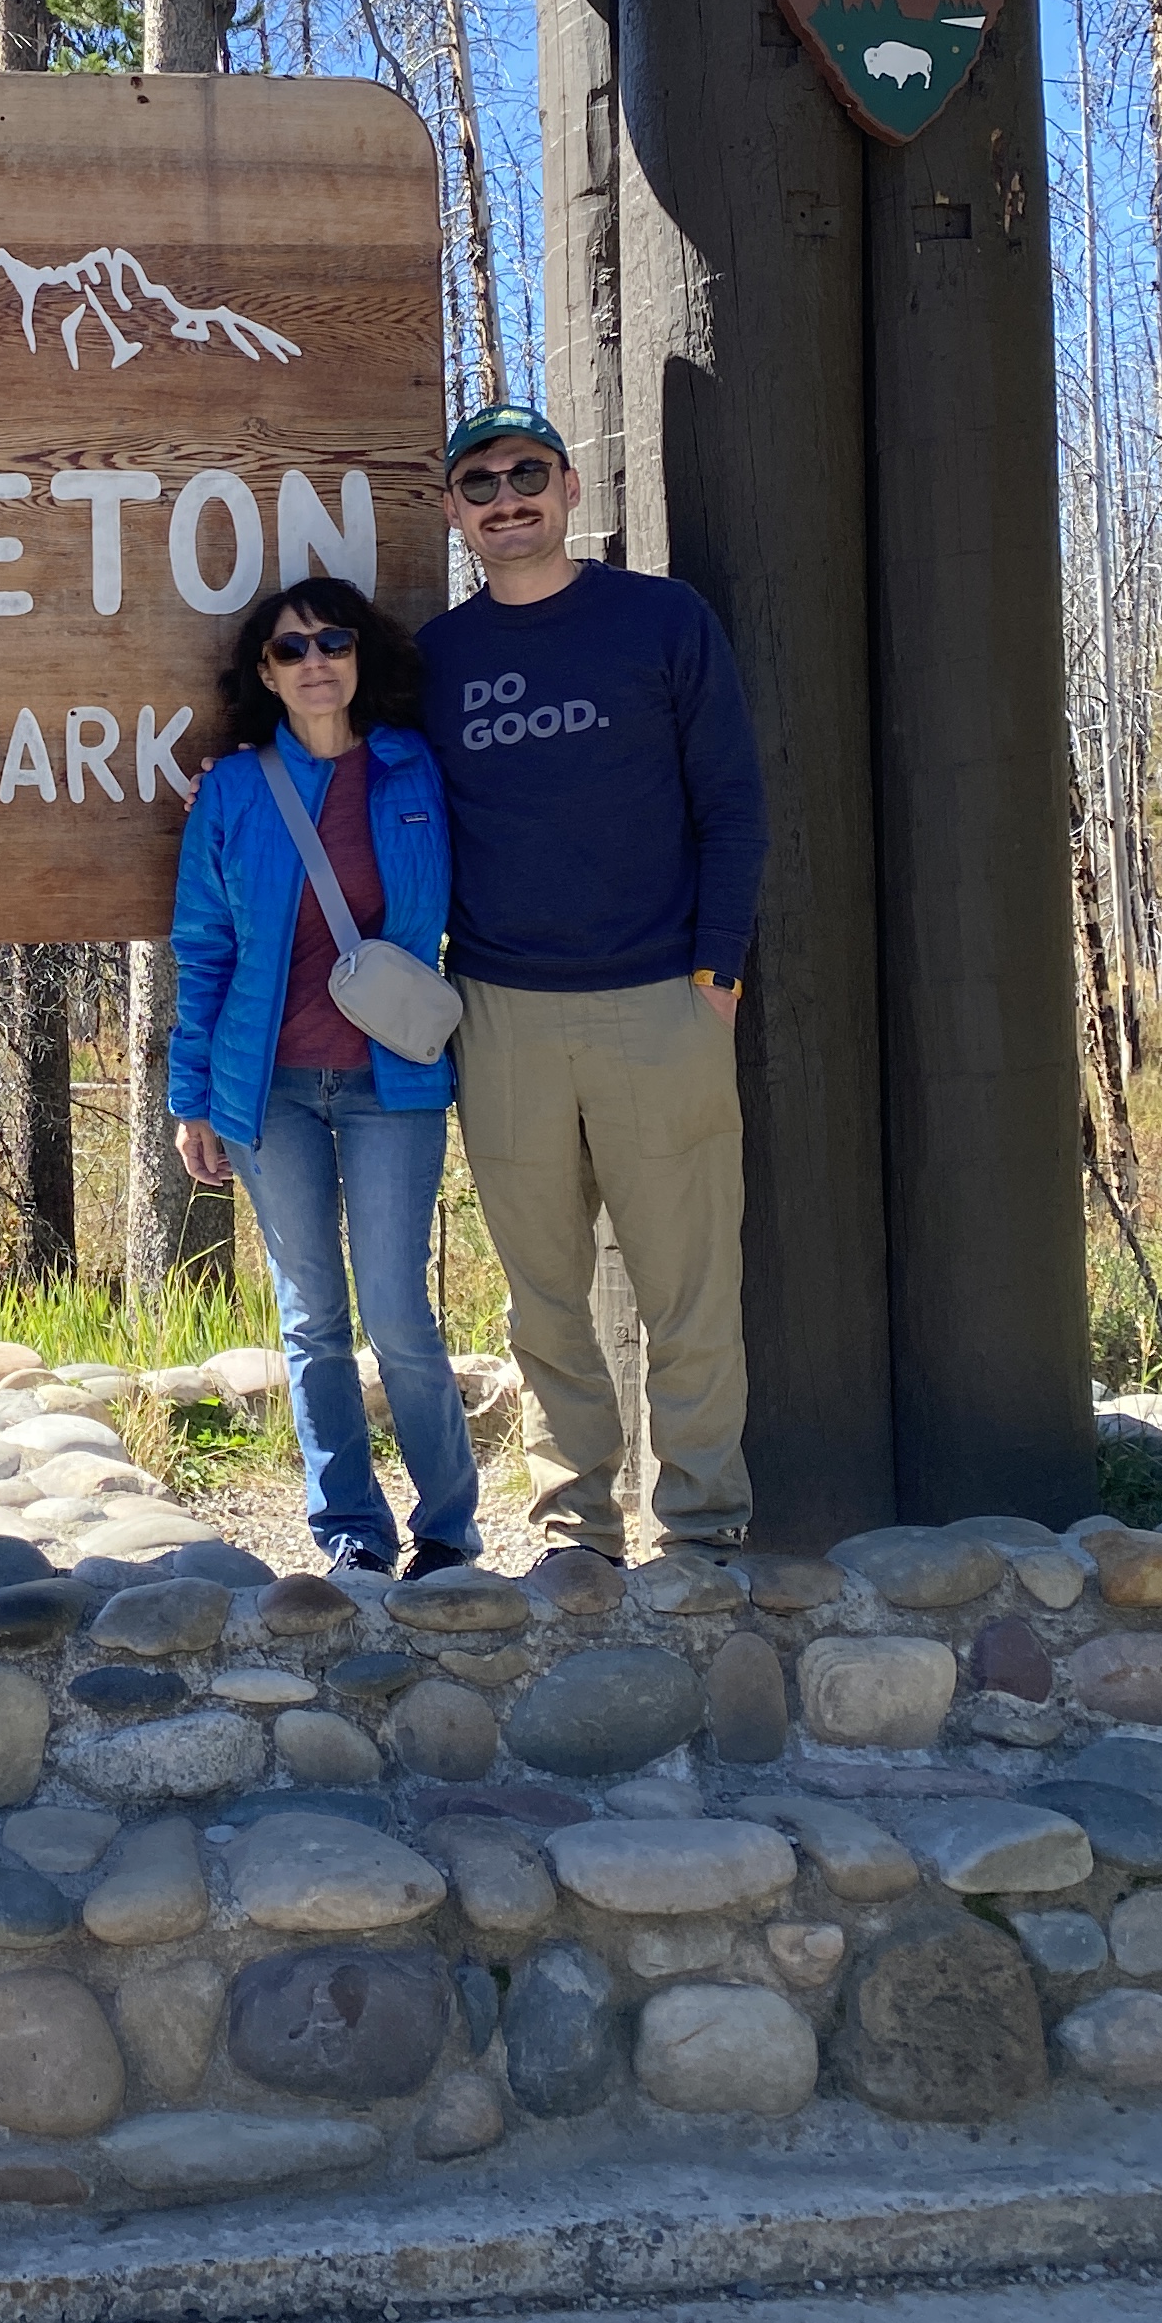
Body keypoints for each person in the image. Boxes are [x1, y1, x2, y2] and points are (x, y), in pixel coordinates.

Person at [417, 402, 768, 1577]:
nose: (506, 498)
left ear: (570, 489)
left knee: (688, 1288)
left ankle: (704, 1524)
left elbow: (732, 803)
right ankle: (575, 1526)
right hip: (501, 1012)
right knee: (543, 1295)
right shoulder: (436, 661)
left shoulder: (662, 621)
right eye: (479, 484)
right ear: (454, 512)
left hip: (661, 999)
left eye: (527, 473)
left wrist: (717, 973)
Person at [168, 573, 481, 1579]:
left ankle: (448, 1529)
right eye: (291, 649)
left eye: (332, 642)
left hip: (393, 1085)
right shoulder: (233, 792)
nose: (315, 663)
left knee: (397, 1315)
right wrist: (190, 1099)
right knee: (312, 1319)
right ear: (265, 673)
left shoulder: (416, 770)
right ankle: (351, 1531)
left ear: (359, 656)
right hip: (269, 1089)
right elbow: (204, 946)